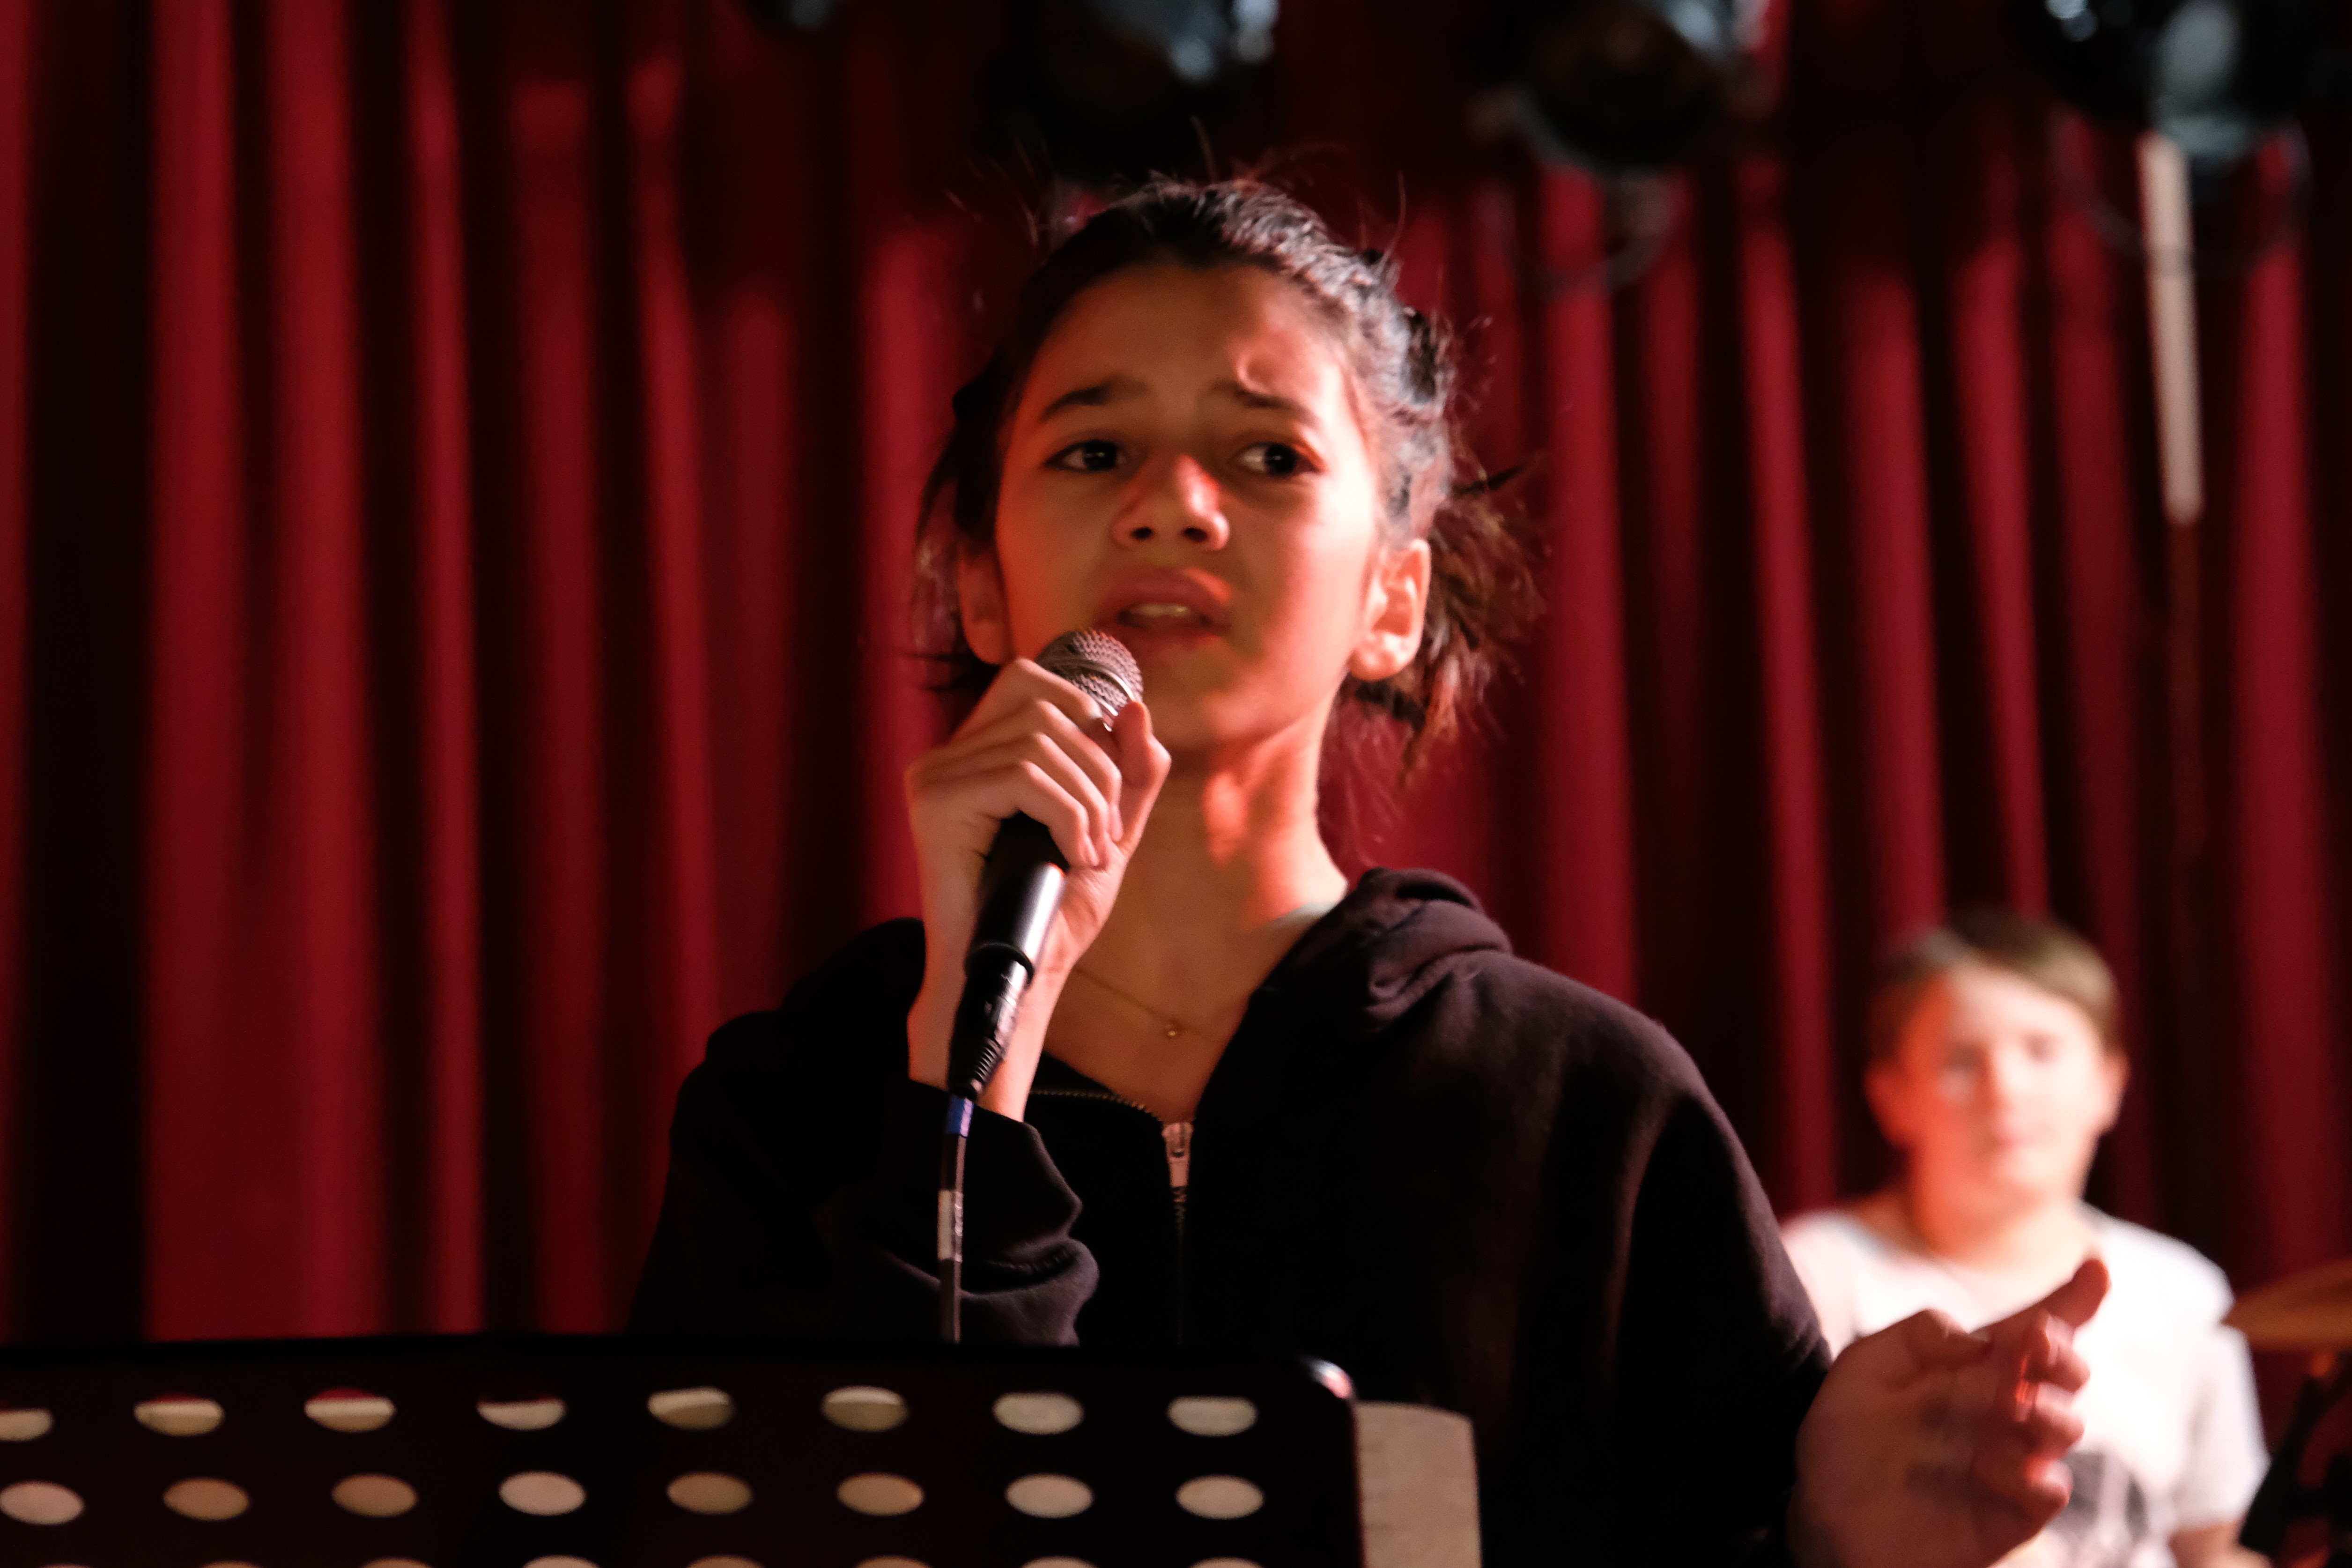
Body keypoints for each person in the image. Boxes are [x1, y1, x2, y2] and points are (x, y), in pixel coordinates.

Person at [631, 178, 2106, 1568]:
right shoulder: (799, 1097)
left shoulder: (1589, 1106)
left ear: (1391, 599)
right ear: (977, 580)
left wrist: (1822, 1540)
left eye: (1266, 455)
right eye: (1093, 451)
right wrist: (968, 1069)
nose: (1173, 505)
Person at [1782, 910, 2268, 1568]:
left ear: (2108, 1084)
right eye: (1960, 1061)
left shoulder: (2182, 1290)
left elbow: (2213, 1545)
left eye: (2041, 1052)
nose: (2004, 1090)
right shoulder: (1816, 1274)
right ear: (1891, 1098)